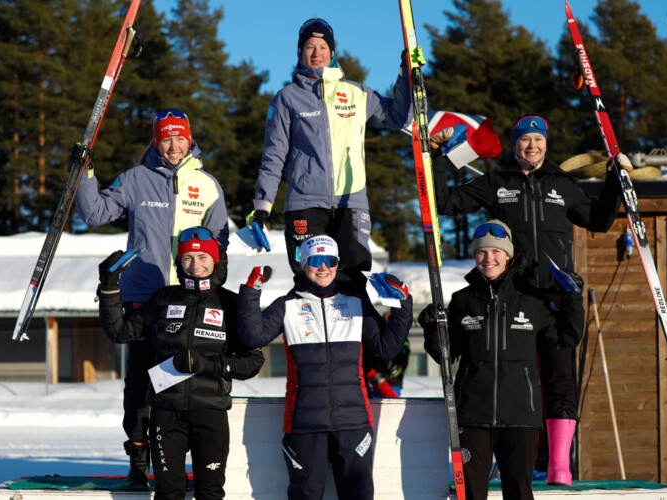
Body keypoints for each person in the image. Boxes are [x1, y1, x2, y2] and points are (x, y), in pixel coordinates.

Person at [429, 115, 632, 485]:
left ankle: (557, 465)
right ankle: (507, 456)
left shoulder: (563, 185)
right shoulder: (498, 183)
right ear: (514, 144)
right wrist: (440, 159)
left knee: (559, 377)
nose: (531, 146)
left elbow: (600, 220)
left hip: (555, 297)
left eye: (538, 140)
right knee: (512, 375)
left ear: (546, 144)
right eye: (525, 140)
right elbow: (445, 203)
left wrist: (615, 178)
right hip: (514, 296)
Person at [74, 108, 230, 486]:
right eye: (166, 138)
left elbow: (219, 246)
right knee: (141, 380)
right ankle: (139, 458)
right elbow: (94, 213)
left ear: (189, 139)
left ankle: (181, 458)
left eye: (179, 138)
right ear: (156, 141)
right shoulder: (135, 179)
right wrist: (84, 174)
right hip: (143, 296)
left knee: (181, 377)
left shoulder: (207, 185)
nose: (173, 146)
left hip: (190, 299)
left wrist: (211, 289)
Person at [237, 235, 413, 500]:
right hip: (304, 423)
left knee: (358, 495)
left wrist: (403, 305)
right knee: (305, 495)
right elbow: (253, 337)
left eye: (329, 260)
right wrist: (251, 293)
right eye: (315, 260)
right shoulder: (287, 305)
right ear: (304, 264)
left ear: (337, 264)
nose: (323, 267)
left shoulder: (356, 302)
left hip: (353, 421)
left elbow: (387, 347)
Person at [419, 220, 583, 500]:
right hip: (472, 415)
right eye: (481, 252)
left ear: (508, 254)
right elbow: (445, 355)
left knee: (519, 491)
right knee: (471, 493)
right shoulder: (462, 300)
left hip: (520, 414)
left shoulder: (531, 301)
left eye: (496, 251)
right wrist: (432, 329)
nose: (488, 258)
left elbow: (568, 337)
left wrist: (572, 300)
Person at [97, 226, 264, 500]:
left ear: (216, 261)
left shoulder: (231, 303)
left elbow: (253, 362)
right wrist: (109, 287)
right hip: (166, 412)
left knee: (210, 493)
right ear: (179, 261)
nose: (195, 265)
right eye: (188, 258)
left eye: (202, 258)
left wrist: (208, 364)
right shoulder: (164, 298)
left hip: (210, 412)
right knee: (168, 493)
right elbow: (121, 331)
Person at [247, 18, 412, 283]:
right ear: (300, 53)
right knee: (309, 279)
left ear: (332, 52)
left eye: (322, 46)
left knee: (355, 278)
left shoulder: (357, 93)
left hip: (352, 201)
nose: (316, 53)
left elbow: (398, 117)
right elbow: (273, 155)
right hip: (305, 203)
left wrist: (407, 74)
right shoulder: (287, 98)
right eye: (309, 47)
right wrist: (262, 205)